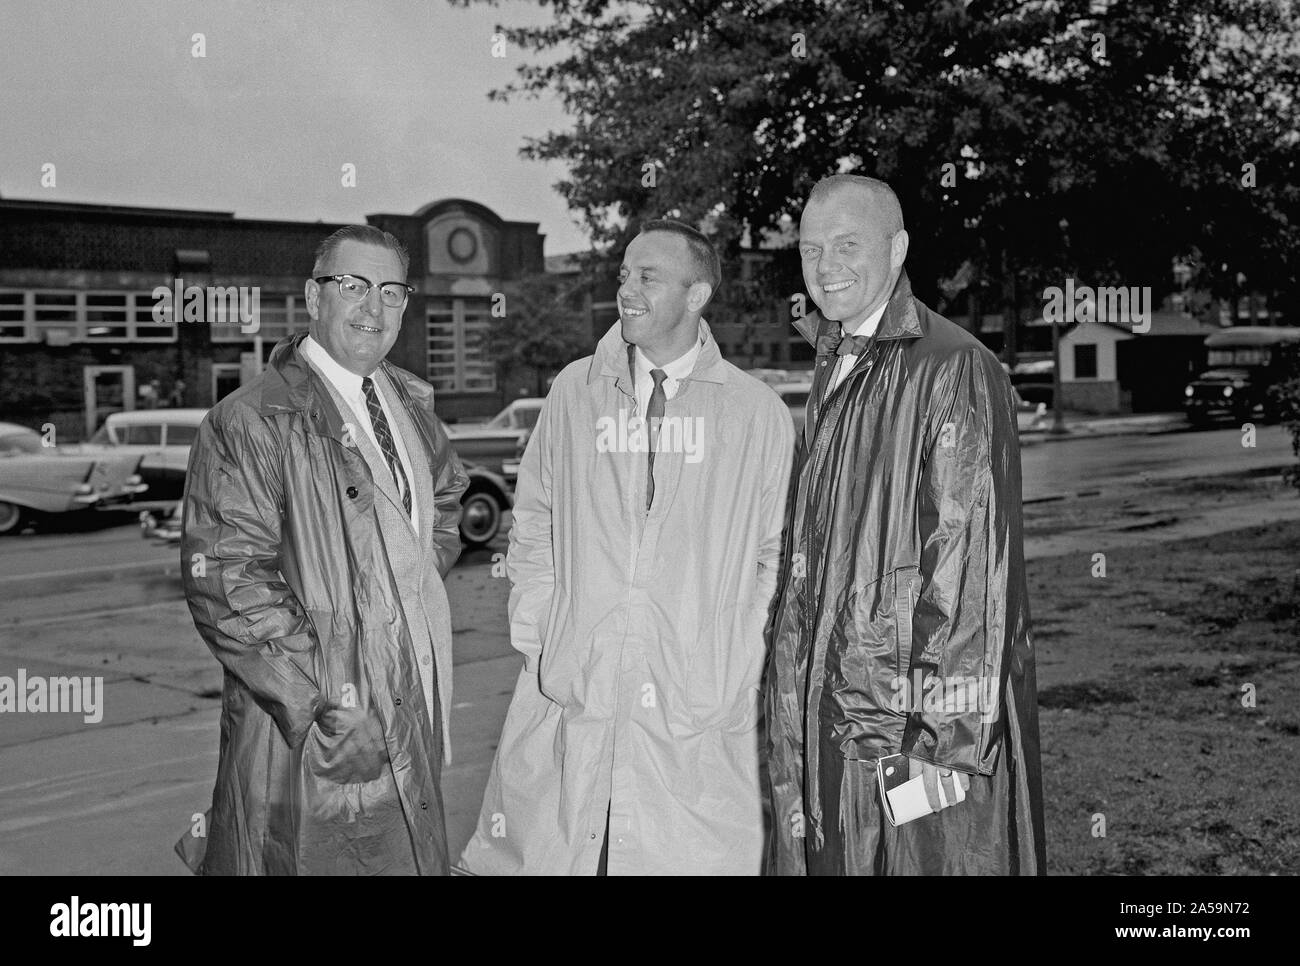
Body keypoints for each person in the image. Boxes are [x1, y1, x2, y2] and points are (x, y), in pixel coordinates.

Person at [460, 220, 794, 875]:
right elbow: (535, 525)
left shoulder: (754, 414)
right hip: (576, 688)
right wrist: (546, 637)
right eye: (623, 275)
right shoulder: (573, 392)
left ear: (696, 295)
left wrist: (731, 662)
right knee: (569, 847)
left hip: (694, 702)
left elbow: (773, 558)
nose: (626, 289)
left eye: (648, 276)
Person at [765, 175, 1046, 875]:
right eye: (809, 249)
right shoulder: (839, 361)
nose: (825, 267)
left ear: (897, 249)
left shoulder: (954, 367)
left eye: (846, 245)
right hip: (839, 712)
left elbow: (972, 574)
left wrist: (938, 756)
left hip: (909, 733)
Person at [177, 224, 468, 875]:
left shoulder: (410, 403)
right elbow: (227, 580)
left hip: (412, 697)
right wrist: (328, 698)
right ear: (314, 295)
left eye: (392, 292)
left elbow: (442, 504)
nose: (374, 309)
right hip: (314, 721)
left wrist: (398, 592)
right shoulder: (252, 419)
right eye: (354, 286)